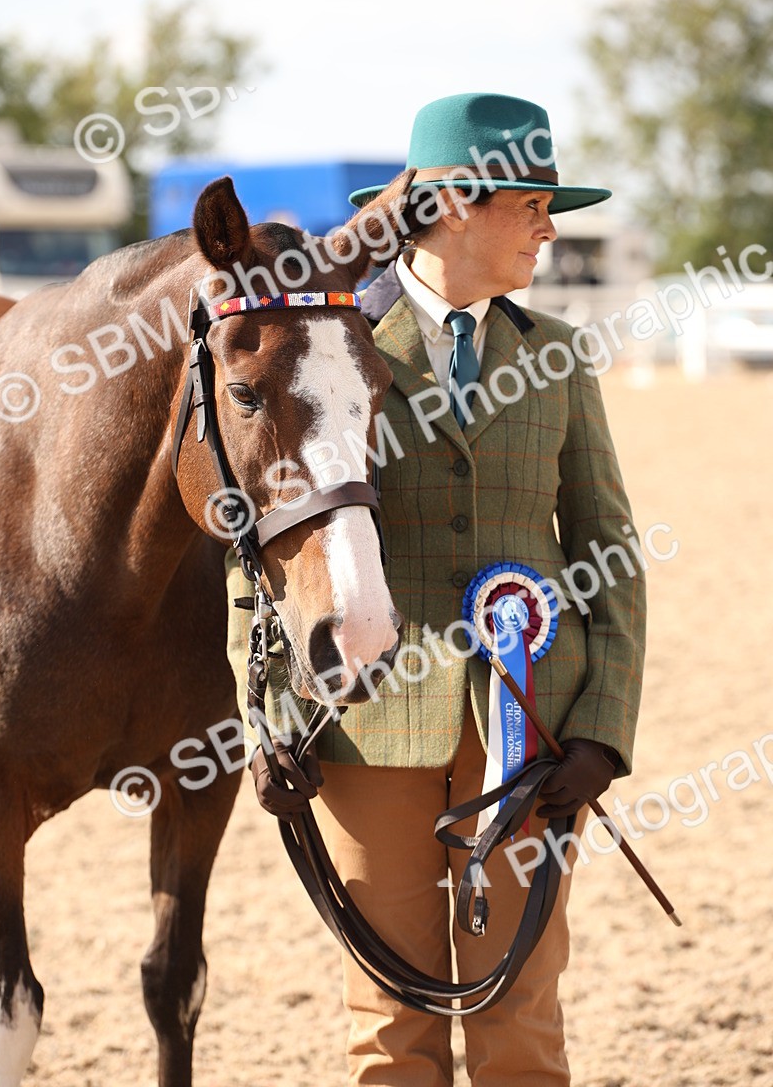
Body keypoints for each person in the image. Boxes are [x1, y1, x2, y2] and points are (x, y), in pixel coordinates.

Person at [226, 92, 646, 1086]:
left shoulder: (557, 356)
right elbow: (262, 552)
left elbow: (611, 552)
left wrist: (602, 730)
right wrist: (261, 719)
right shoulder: (328, 348)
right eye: (531, 206)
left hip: (534, 732)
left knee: (522, 1008)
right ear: (455, 206)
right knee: (390, 1020)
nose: (548, 229)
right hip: (363, 725)